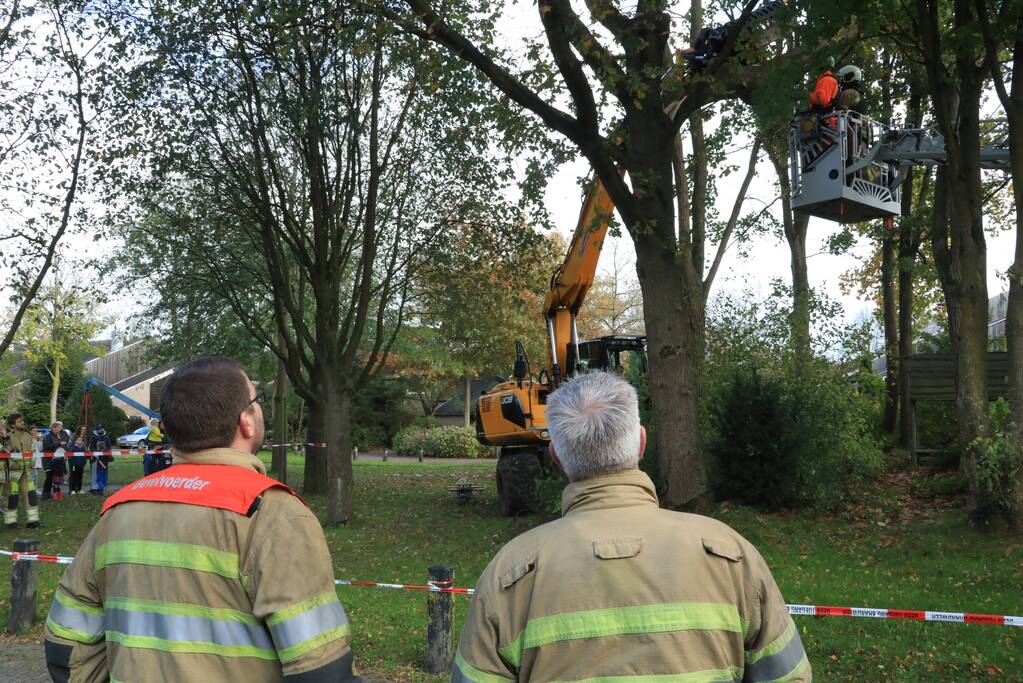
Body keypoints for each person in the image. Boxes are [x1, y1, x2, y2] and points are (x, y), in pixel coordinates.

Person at [452, 371, 811, 683]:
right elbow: (788, 674)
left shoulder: (510, 574)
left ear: (557, 458)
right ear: (641, 442)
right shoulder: (730, 555)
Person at [44, 356, 359, 682]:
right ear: (246, 422)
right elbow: (321, 668)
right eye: (256, 401)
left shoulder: (118, 511)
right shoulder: (274, 515)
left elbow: (65, 641)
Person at [1, 412, 41, 528]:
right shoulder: (7, 437)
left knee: (31, 497)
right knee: (12, 499)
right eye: (19, 421)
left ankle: (33, 522)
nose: (22, 422)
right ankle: (11, 523)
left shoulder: (28, 436)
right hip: (13, 474)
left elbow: (33, 450)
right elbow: (4, 453)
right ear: (13, 425)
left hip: (27, 473)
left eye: (22, 420)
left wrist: (32, 462)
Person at [41, 420, 70, 500]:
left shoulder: (58, 436)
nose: (60, 429)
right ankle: (45, 494)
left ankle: (55, 494)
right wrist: (59, 444)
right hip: (48, 460)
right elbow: (47, 446)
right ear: (54, 428)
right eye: (59, 428)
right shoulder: (48, 436)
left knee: (55, 477)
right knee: (49, 477)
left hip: (56, 460)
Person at [87, 424, 113, 495]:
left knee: (104, 473)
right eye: (98, 429)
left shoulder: (106, 436)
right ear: (96, 430)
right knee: (96, 473)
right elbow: (91, 447)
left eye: (101, 429)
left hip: (105, 458)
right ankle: (96, 488)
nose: (100, 430)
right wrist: (96, 452)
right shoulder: (93, 437)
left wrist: (107, 450)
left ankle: (103, 487)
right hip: (96, 458)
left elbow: (109, 446)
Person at [67, 426, 89, 495]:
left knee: (79, 476)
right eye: (82, 429)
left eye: (81, 440)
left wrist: (86, 459)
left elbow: (86, 454)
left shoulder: (82, 447)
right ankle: (72, 489)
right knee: (73, 476)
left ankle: (79, 489)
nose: (84, 430)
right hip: (73, 464)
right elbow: (69, 451)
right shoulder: (72, 444)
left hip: (81, 464)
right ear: (75, 441)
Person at [31, 425, 44, 489]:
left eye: (36, 431)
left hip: (37, 459)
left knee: (36, 475)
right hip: (30, 459)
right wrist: (33, 438)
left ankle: (35, 488)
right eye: (33, 431)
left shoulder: (37, 439)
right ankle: (32, 489)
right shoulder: (28, 439)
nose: (35, 432)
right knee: (33, 475)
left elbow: (40, 449)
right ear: (30, 431)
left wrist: (40, 440)